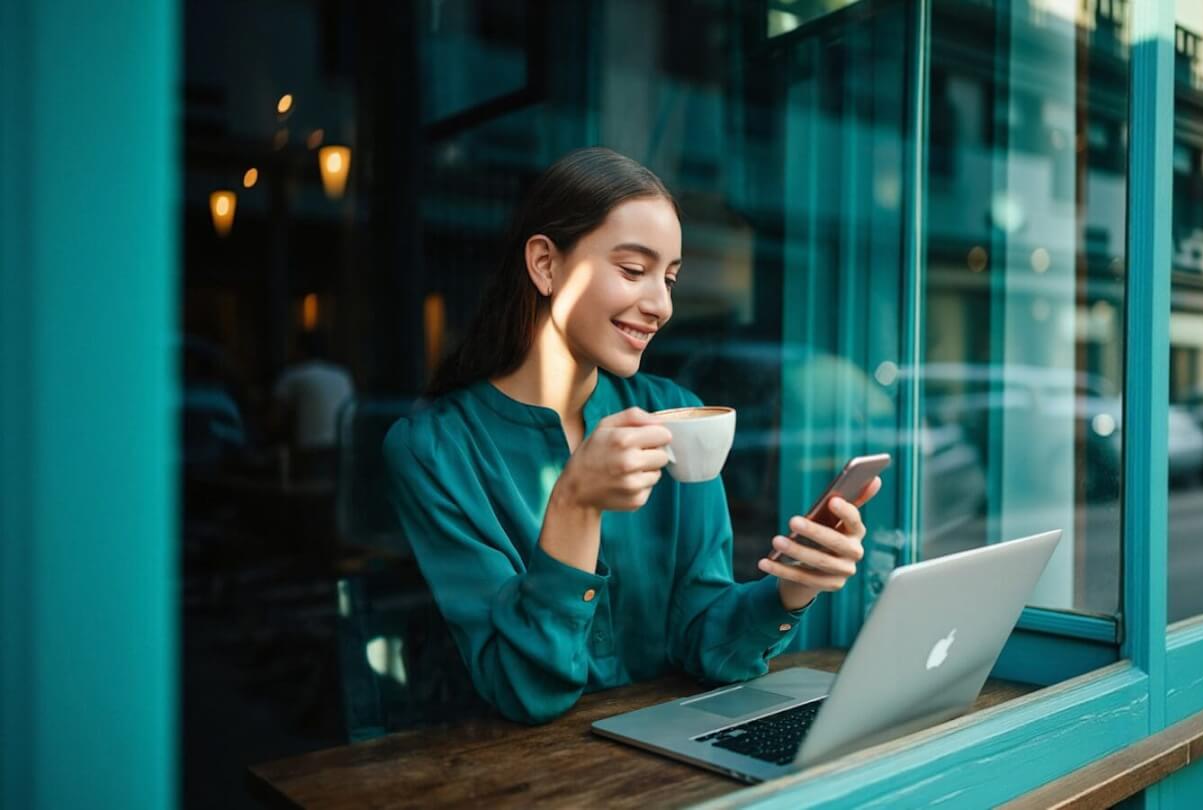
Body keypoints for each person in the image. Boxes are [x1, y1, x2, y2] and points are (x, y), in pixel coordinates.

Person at [383, 147, 881, 725]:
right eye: (632, 270)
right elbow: (524, 690)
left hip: (669, 758)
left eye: (669, 278)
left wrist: (791, 590)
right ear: (545, 264)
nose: (660, 305)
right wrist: (574, 501)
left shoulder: (678, 413)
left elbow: (702, 635)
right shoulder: (433, 450)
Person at [270, 331, 354, 477]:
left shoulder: (292, 375)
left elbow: (273, 422)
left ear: (300, 350)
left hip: (310, 457)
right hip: (345, 454)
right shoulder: (343, 375)